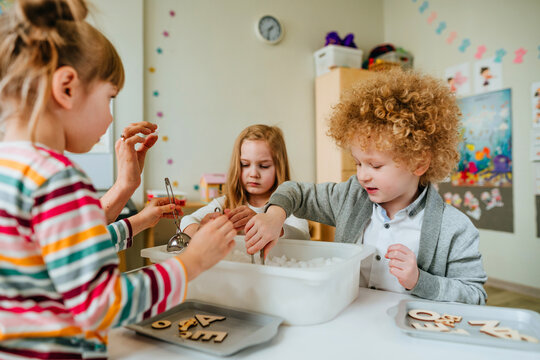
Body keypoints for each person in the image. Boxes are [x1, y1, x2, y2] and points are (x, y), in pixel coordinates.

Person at [0, 1, 236, 358]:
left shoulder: (12, 168)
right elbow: (102, 304)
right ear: (66, 88)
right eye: (109, 98)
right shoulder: (59, 178)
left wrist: (133, 211)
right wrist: (193, 262)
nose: (111, 118)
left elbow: (58, 256)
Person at [245, 69, 487, 305]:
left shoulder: (455, 229)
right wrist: (274, 216)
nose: (362, 175)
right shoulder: (350, 197)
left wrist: (420, 280)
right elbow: (295, 192)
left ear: (419, 162)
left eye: (375, 165)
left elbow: (475, 295)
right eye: (358, 162)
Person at [181, 124, 310, 243]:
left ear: (279, 168)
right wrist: (201, 230)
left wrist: (265, 223)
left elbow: (303, 237)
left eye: (264, 166)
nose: (253, 173)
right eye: (245, 164)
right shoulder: (225, 203)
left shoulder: (291, 204)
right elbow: (186, 221)